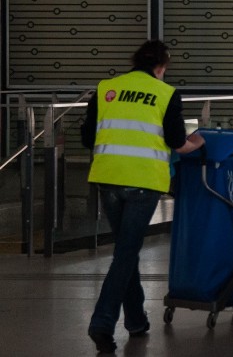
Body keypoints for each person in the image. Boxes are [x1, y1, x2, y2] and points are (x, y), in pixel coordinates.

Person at [81, 40, 204, 353]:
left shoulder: (107, 88)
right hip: (143, 182)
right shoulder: (166, 93)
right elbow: (177, 142)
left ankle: (136, 320)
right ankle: (102, 322)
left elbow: (86, 137)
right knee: (126, 252)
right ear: (161, 67)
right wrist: (198, 143)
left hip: (107, 178)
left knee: (126, 249)